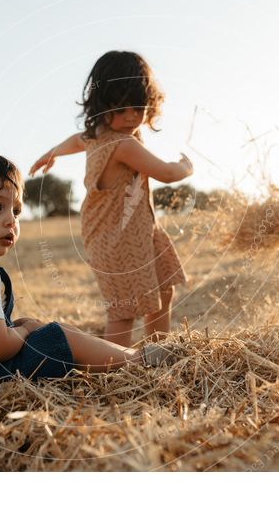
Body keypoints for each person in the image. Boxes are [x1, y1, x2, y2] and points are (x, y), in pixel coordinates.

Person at [0, 148, 172, 387]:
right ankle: (139, 362)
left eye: (16, 211)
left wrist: (21, 327)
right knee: (57, 336)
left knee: (51, 329)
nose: (11, 220)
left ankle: (119, 357)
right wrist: (24, 331)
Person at [29, 51, 192, 347]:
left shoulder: (100, 134)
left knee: (163, 289)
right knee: (124, 310)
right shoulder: (122, 144)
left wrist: (52, 152)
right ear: (103, 104)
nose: (131, 116)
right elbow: (166, 174)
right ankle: (113, 368)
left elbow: (77, 140)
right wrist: (185, 167)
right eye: (121, 107)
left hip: (138, 232)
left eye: (138, 106)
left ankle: (157, 352)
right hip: (115, 241)